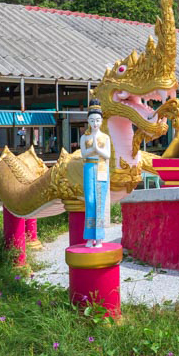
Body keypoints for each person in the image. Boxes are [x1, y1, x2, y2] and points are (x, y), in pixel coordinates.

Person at [79, 101, 111, 247]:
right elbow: (84, 154)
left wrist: (96, 148)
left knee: (100, 202)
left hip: (102, 168)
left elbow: (108, 155)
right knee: (90, 201)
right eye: (92, 120)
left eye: (97, 120)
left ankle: (99, 238)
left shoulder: (105, 137)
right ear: (88, 121)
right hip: (89, 167)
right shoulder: (84, 137)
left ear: (101, 120)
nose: (95, 123)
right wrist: (93, 149)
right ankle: (89, 236)